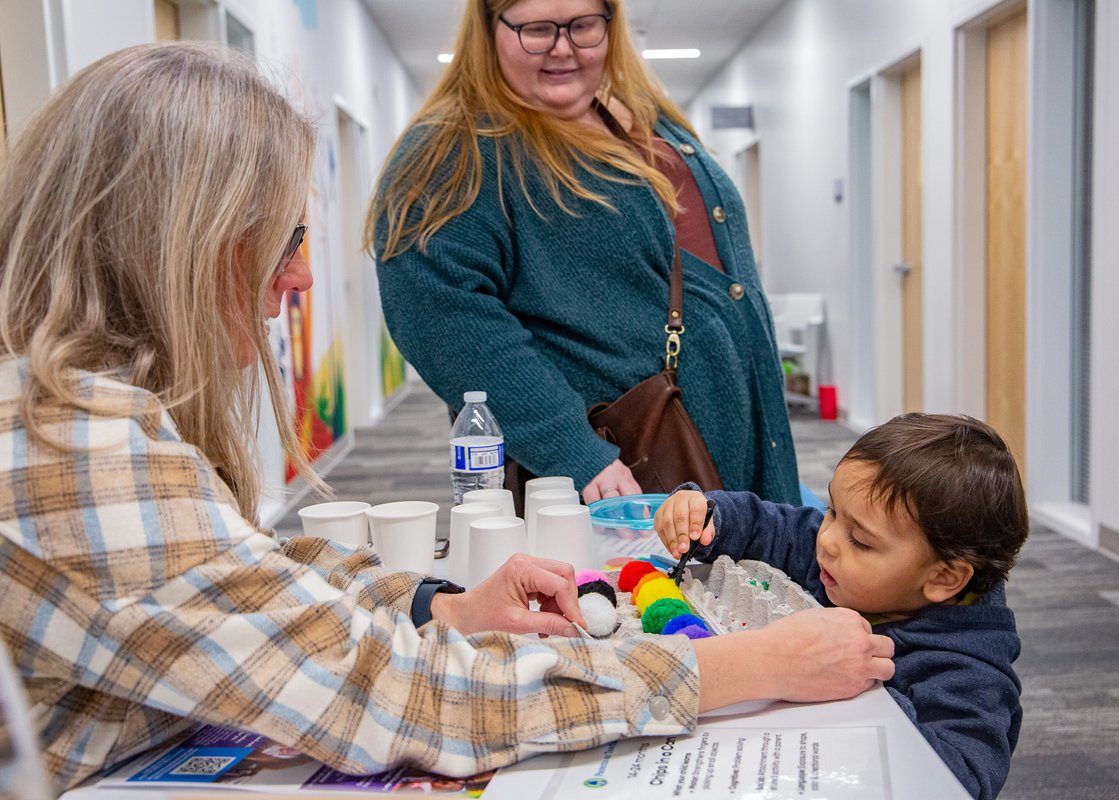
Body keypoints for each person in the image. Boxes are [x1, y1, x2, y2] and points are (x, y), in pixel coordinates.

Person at [0, 42, 895, 795]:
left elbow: (250, 574)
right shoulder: (75, 449)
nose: (303, 279)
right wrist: (736, 670)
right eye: (282, 241)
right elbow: (387, 694)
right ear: (175, 246)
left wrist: (446, 605)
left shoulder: (88, 414)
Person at [368, 0, 801, 507]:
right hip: (625, 477)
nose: (563, 48)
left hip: (728, 448)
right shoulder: (454, 148)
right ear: (489, 28)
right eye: (537, 29)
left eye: (583, 25)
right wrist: (572, 450)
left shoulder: (637, 111)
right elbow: (442, 318)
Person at [654, 414, 1030, 800]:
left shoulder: (970, 672)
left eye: (861, 542)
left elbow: (960, 779)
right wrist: (708, 515)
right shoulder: (833, 560)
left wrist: (866, 689)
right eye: (833, 511)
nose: (828, 540)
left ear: (943, 579)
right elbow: (767, 525)